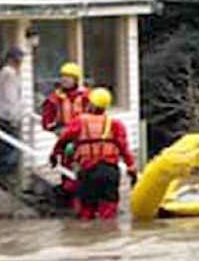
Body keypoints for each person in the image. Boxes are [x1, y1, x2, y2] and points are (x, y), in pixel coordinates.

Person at [50, 87, 138, 221]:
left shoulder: (79, 122)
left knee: (86, 212)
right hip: (110, 172)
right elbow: (125, 149)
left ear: (90, 104)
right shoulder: (116, 125)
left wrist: (54, 155)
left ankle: (88, 236)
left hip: (88, 171)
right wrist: (132, 171)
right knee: (109, 213)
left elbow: (63, 139)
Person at [41, 62, 89, 206]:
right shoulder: (54, 99)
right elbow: (47, 121)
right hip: (66, 140)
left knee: (86, 169)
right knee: (67, 170)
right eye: (63, 77)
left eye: (68, 77)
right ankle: (71, 200)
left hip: (84, 140)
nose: (65, 80)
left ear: (76, 79)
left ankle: (84, 199)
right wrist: (58, 130)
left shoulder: (87, 96)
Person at [0, 47, 25, 190]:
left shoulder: (5, 73)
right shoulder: (9, 75)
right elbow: (10, 98)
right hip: (7, 119)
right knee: (10, 153)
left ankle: (7, 181)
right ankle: (7, 182)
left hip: (4, 117)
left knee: (8, 151)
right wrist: (14, 117)